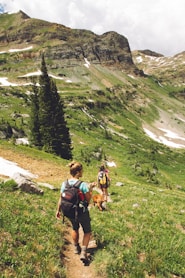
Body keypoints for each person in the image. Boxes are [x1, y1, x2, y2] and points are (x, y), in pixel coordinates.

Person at [56, 161, 92, 263]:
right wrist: (90, 193)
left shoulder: (65, 183)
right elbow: (88, 199)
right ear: (78, 172)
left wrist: (58, 210)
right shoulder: (82, 184)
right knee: (87, 231)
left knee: (75, 228)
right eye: (82, 170)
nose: (82, 172)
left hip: (69, 212)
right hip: (81, 212)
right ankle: (84, 252)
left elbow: (61, 198)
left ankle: (76, 247)